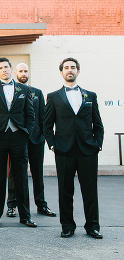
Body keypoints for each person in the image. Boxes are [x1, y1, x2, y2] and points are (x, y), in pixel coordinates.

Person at [44, 58, 103, 239]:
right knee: (65, 190)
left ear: (78, 71)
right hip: (63, 151)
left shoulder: (90, 96)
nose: (70, 70)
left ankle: (92, 226)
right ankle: (67, 226)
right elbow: (47, 125)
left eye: (73, 67)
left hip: (87, 150)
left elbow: (98, 125)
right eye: (66, 68)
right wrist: (53, 145)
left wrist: (97, 145)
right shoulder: (53, 97)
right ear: (61, 72)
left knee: (90, 190)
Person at [0, 57, 37, 228]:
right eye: (0, 68)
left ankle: (25, 216)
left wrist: (25, 133)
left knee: (21, 177)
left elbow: (30, 114)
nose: (4, 70)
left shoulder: (24, 89)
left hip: (18, 138)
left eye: (6, 67)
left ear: (11, 69)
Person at [5, 63, 57, 218]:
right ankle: (12, 205)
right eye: (20, 71)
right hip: (17, 139)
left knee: (37, 173)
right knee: (15, 173)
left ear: (29, 73)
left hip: (36, 139)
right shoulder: (10, 92)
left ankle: (41, 205)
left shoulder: (37, 93)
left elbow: (43, 117)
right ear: (15, 73)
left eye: (25, 71)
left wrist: (44, 138)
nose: (23, 73)